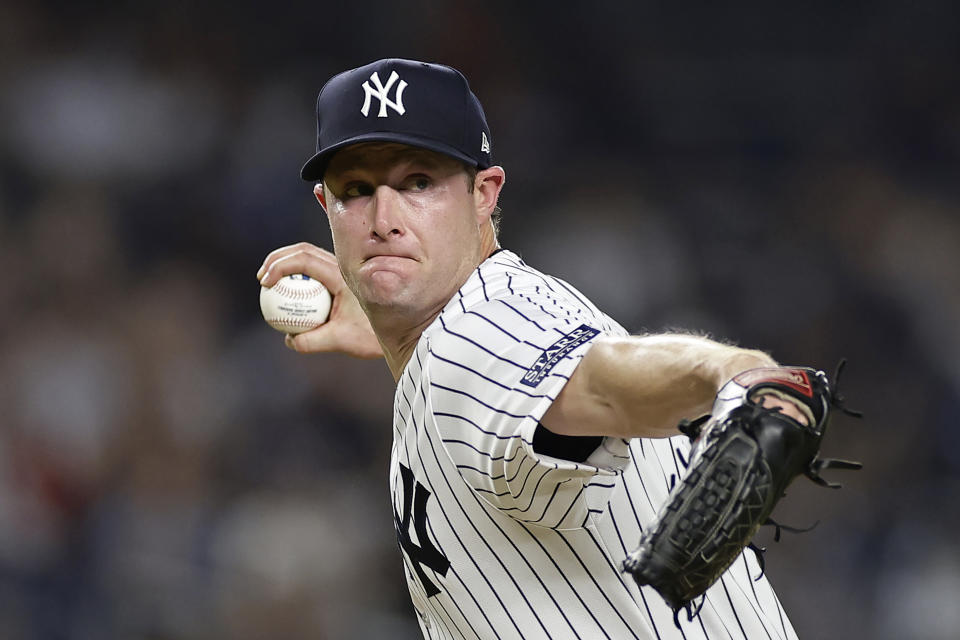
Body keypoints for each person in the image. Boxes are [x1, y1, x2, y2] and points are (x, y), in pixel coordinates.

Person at [257, 58, 807, 639]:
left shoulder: (474, 338)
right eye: (357, 190)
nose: (384, 219)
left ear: (483, 194)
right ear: (327, 208)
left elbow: (602, 381)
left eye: (419, 182)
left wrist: (733, 372)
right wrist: (388, 329)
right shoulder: (463, 334)